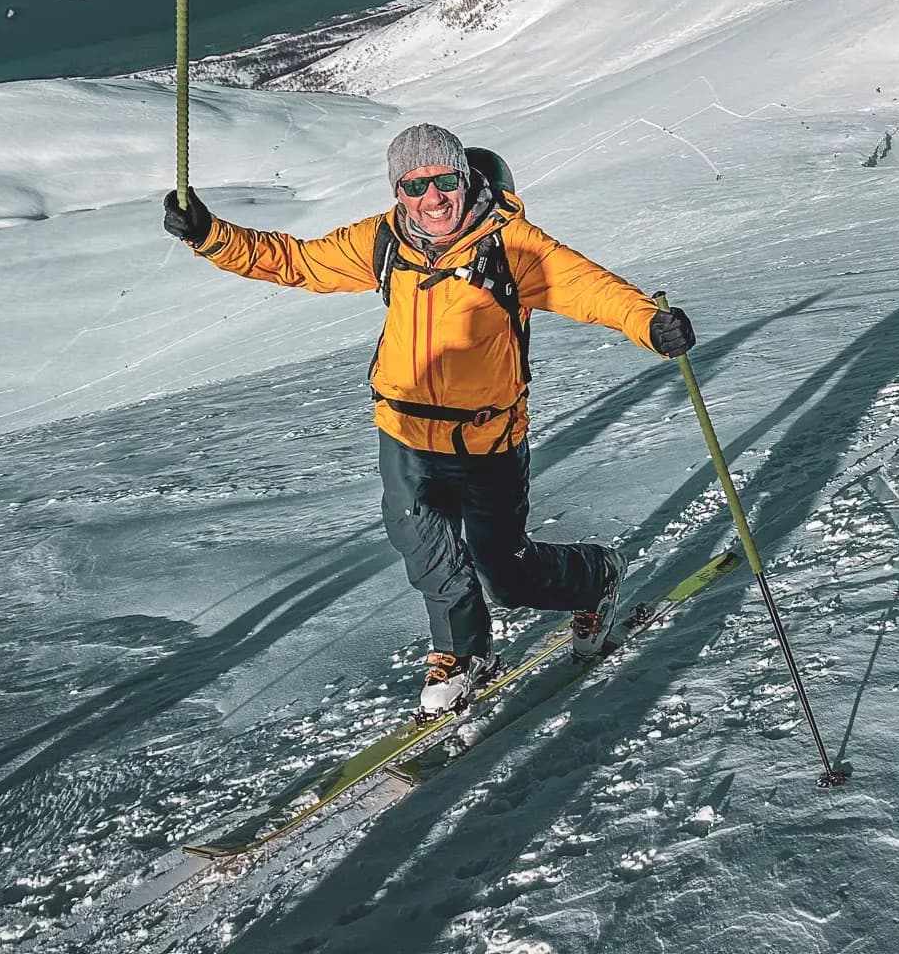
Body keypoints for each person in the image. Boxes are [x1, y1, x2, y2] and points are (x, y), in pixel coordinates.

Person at [161, 123, 697, 716]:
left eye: (445, 181)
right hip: (406, 432)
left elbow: (589, 289)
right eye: (415, 186)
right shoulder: (383, 241)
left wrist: (649, 323)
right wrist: (211, 235)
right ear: (398, 192)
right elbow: (298, 262)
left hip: (488, 438)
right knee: (426, 549)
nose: (432, 199)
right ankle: (462, 656)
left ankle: (593, 576)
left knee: (506, 572)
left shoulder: (510, 246)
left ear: (465, 179)